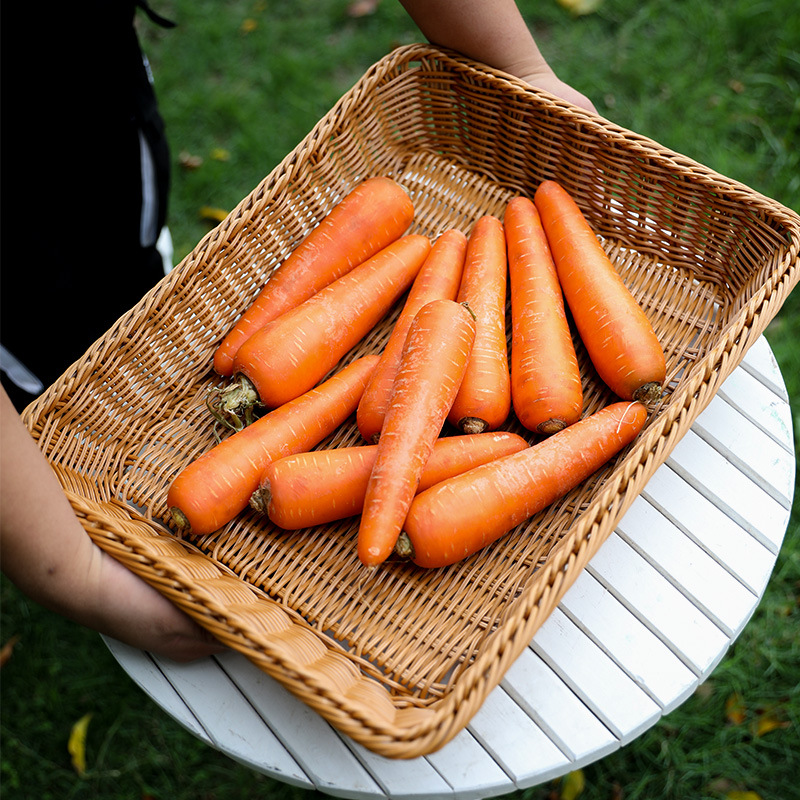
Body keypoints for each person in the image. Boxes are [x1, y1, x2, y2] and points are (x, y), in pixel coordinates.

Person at [0, 0, 594, 661]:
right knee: (43, 364)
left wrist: (520, 68)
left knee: (129, 281)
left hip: (91, 108)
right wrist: (75, 576)